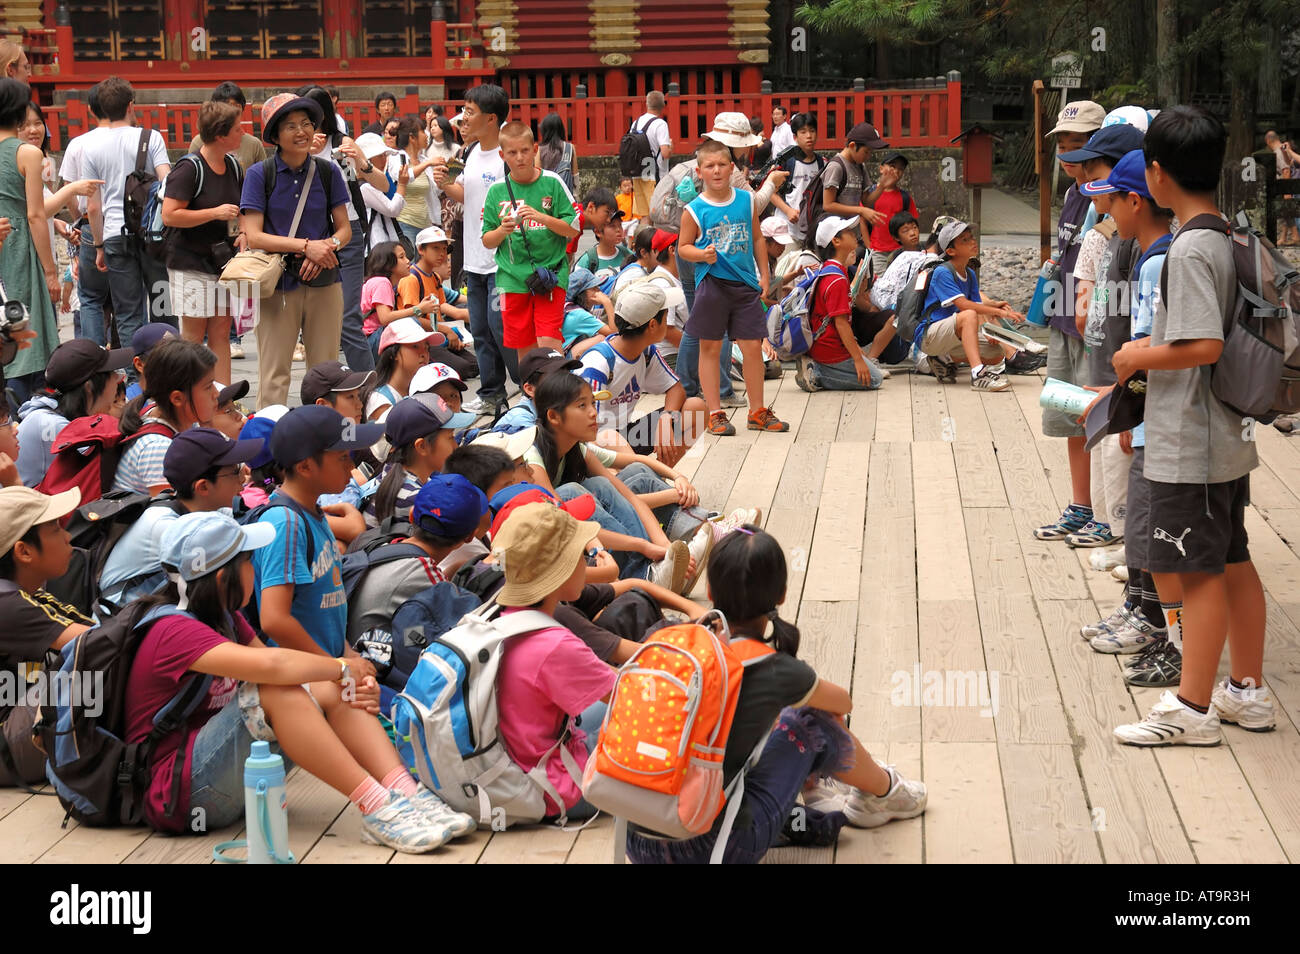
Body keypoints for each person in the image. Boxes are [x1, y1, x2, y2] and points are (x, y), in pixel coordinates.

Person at [125, 510, 473, 850]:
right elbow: (272, 666)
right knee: (280, 688)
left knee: (321, 683)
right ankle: (378, 806)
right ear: (221, 577)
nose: (255, 569)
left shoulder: (225, 618)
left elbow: (291, 671)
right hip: (181, 795)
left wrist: (344, 681)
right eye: (249, 562)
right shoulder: (172, 629)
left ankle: (405, 792)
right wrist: (340, 667)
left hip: (227, 774)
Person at [1111, 107, 1272, 745]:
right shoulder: (1225, 234)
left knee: (1200, 573)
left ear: (1156, 174)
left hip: (1192, 440)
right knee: (1233, 561)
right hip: (1225, 436)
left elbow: (1202, 343)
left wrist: (1135, 355)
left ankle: (1194, 708)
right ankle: (1247, 692)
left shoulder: (1189, 248)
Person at [624, 526, 928, 864]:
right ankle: (885, 793)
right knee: (813, 720)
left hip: (638, 842)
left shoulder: (678, 643)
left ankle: (821, 791)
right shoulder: (772, 667)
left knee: (775, 720)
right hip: (710, 849)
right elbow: (843, 703)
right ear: (781, 595)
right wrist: (795, 694)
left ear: (709, 590)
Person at [1076, 149, 1176, 680]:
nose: (1107, 211)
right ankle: (1141, 605)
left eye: (1112, 200)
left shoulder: (1159, 259)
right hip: (1146, 414)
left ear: (1134, 200)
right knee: (1140, 521)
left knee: (1152, 524)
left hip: (1156, 418)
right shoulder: (1146, 253)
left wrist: (1128, 414)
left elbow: (1154, 349)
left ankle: (1155, 620)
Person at [524, 371, 710, 593]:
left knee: (602, 485)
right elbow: (566, 526)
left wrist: (664, 547)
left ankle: (658, 567)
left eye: (593, 403)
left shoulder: (578, 449)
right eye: (582, 406)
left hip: (578, 540)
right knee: (571, 492)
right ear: (553, 417)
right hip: (535, 556)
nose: (594, 413)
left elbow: (629, 498)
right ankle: (645, 573)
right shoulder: (532, 459)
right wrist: (644, 545)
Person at [488, 502, 616, 823]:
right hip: (557, 790)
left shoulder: (503, 619)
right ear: (560, 572)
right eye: (579, 556)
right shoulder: (555, 644)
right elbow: (630, 695)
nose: (586, 565)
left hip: (511, 769)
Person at [1056, 122, 1147, 550]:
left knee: (1117, 443)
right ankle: (1090, 511)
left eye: (1094, 168)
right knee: (1079, 422)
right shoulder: (1090, 214)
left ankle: (1120, 532)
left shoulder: (1130, 238)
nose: (1088, 177)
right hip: (1078, 340)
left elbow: (1131, 320)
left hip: (1115, 360)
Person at [239, 92, 350, 409]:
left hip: (326, 281)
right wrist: (306, 247)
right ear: (275, 135)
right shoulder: (261, 174)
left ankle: (327, 440)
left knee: (328, 372)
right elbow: (255, 236)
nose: (301, 132)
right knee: (275, 373)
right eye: (291, 126)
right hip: (278, 285)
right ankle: (268, 446)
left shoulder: (328, 173)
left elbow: (344, 229)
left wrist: (327, 247)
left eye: (306, 124)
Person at [249, 404, 385, 662]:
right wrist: (336, 667)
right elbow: (274, 620)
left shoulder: (312, 512)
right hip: (303, 672)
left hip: (329, 662)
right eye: (342, 457)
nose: (351, 465)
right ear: (305, 467)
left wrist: (347, 655)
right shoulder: (285, 523)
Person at [679, 137, 788, 436]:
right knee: (711, 346)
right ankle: (715, 412)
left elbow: (756, 238)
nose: (716, 171)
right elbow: (683, 248)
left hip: (744, 283)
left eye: (722, 165)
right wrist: (701, 255)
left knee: (753, 345)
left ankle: (757, 411)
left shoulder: (745, 200)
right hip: (712, 284)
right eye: (709, 166)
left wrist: (765, 274)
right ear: (699, 172)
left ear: (731, 168)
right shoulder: (694, 209)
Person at [1034, 100, 1105, 541]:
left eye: (1076, 146)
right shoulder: (1071, 194)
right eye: (1061, 145)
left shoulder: (1109, 199)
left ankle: (1106, 509)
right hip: (1063, 321)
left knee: (1099, 419)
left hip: (1093, 326)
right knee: (1070, 419)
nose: (1066, 155)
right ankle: (1081, 505)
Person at [99, 425, 263, 609]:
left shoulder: (205, 508)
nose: (243, 479)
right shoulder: (168, 527)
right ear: (203, 487)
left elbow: (249, 522)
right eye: (234, 472)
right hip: (125, 624)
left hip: (159, 612)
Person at [432, 84, 519, 416]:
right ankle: (491, 393)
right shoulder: (465, 154)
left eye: (470, 112)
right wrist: (444, 183)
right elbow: (463, 195)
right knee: (480, 329)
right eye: (464, 110)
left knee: (502, 327)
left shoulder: (507, 156)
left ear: (492, 118)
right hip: (474, 256)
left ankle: (525, 385)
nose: (463, 118)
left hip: (502, 260)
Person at [0, 485, 92, 787]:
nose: (67, 537)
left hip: (15, 716)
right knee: (88, 670)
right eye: (55, 528)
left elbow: (95, 630)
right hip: (5, 748)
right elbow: (100, 643)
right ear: (23, 551)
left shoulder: (26, 593)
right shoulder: (8, 605)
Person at [347, 472, 487, 646]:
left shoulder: (384, 542)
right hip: (372, 666)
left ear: (412, 516)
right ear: (469, 537)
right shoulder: (426, 575)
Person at [80, 77, 173, 339]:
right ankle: (171, 366)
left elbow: (93, 206)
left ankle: (135, 372)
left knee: (128, 312)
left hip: (113, 236)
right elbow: (167, 184)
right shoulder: (150, 137)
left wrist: (98, 246)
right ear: (131, 105)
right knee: (162, 305)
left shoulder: (91, 147)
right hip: (152, 236)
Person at [163, 99, 246, 387]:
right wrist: (214, 212)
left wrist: (244, 232)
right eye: (237, 129)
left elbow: (242, 211)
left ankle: (222, 396)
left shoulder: (234, 166)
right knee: (194, 336)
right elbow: (170, 215)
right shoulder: (189, 168)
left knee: (222, 332)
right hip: (190, 262)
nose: (242, 134)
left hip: (223, 264)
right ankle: (189, 394)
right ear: (221, 135)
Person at [482, 121, 579, 361]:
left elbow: (573, 229)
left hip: (551, 275)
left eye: (525, 150)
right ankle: (533, 394)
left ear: (535, 149)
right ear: (503, 155)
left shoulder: (552, 182)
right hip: (511, 278)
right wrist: (503, 230)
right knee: (524, 348)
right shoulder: (496, 191)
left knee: (548, 342)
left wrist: (541, 217)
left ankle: (556, 394)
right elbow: (487, 240)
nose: (520, 157)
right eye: (512, 153)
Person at [579, 281, 704, 464]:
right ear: (652, 325)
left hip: (625, 434)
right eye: (666, 314)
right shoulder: (599, 363)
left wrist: (666, 417)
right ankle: (644, 481)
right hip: (596, 446)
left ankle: (656, 478)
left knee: (696, 408)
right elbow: (587, 433)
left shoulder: (646, 352)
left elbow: (677, 388)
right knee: (610, 438)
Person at [0, 78, 59, 404]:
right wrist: (50, 270)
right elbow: (36, 215)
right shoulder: (27, 153)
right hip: (20, 244)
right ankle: (23, 403)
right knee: (26, 324)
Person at [914, 220, 1023, 391]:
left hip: (950, 335)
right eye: (964, 240)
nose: (973, 241)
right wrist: (999, 312)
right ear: (950, 251)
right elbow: (965, 305)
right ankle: (978, 375)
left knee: (995, 353)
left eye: (971, 237)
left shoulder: (970, 274)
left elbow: (978, 308)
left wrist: (988, 329)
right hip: (929, 336)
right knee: (969, 314)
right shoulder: (942, 272)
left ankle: (942, 359)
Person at [15, 338, 131, 487]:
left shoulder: (63, 412)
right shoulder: (50, 424)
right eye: (111, 373)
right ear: (89, 387)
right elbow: (100, 472)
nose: (118, 378)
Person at [113, 338, 219, 495]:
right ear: (177, 398)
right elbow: (171, 512)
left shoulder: (179, 420)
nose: (216, 393)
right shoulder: (158, 449)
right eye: (208, 386)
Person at [794, 216, 884, 393]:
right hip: (830, 349)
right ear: (836, 241)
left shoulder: (828, 269)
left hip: (823, 344)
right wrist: (857, 360)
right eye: (848, 232)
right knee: (875, 379)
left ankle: (821, 367)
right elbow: (841, 323)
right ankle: (817, 372)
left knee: (870, 371)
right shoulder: (836, 279)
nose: (854, 234)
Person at [60, 82, 114, 346]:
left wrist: (79, 219)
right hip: (126, 225)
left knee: (91, 298)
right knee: (127, 300)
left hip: (91, 226)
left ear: (91, 110)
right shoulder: (139, 139)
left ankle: (93, 362)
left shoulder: (79, 144)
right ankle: (127, 361)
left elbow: (68, 191)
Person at [368, 394, 475, 525]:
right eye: (450, 437)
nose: (455, 446)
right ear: (422, 446)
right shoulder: (416, 500)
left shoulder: (392, 472)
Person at [394, 225, 476, 380]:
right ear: (421, 250)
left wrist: (452, 333)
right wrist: (447, 331)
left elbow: (441, 310)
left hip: (438, 334)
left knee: (475, 366)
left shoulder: (435, 277)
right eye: (436, 248)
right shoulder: (411, 278)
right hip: (421, 339)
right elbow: (412, 319)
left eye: (444, 249)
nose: (442, 254)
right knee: (463, 369)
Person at [361, 240, 438, 357]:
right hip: (370, 341)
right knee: (411, 323)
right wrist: (418, 309)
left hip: (368, 341)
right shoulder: (382, 283)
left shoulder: (380, 282)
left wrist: (420, 309)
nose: (408, 261)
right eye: (401, 257)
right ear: (387, 263)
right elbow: (385, 318)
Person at [363, 317, 446, 422]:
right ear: (393, 354)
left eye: (427, 348)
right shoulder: (381, 401)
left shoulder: (420, 389)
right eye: (415, 346)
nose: (424, 354)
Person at [822, 122, 891, 247]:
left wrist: (882, 185)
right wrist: (861, 210)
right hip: (835, 237)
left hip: (851, 234)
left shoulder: (860, 166)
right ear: (853, 146)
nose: (868, 156)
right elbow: (828, 205)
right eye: (866, 152)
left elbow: (866, 201)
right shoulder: (836, 167)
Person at [768, 112, 824, 243]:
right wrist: (788, 210)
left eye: (812, 131)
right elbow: (769, 192)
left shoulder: (821, 163)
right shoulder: (786, 162)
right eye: (803, 132)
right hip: (786, 231)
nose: (809, 136)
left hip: (810, 232)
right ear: (795, 137)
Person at [187, 82, 267, 171]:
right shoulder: (199, 142)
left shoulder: (254, 144)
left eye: (237, 106)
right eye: (227, 106)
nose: (232, 111)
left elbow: (264, 178)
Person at [865, 153, 920, 276]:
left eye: (900, 169)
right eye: (892, 166)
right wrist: (869, 246)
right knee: (878, 283)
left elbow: (912, 222)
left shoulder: (904, 197)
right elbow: (863, 220)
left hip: (899, 250)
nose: (896, 171)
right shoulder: (870, 195)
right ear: (881, 169)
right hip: (877, 250)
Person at [393, 116, 441, 246]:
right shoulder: (397, 158)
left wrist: (444, 177)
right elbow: (404, 177)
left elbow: (436, 191)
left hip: (426, 224)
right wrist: (428, 164)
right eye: (423, 131)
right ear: (412, 137)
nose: (427, 135)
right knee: (409, 264)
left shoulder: (424, 160)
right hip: (405, 223)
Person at [355, 131, 406, 252]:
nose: (384, 159)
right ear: (368, 160)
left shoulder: (375, 182)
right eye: (380, 156)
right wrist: (402, 184)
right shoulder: (365, 187)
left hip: (380, 244)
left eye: (385, 155)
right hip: (377, 245)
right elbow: (393, 210)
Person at [629, 91, 672, 220]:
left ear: (646, 104)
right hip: (655, 176)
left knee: (644, 217)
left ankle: (642, 240)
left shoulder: (636, 123)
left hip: (638, 173)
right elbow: (665, 153)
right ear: (663, 105)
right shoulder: (660, 124)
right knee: (658, 216)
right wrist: (671, 147)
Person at [1264, 130, 1299, 246]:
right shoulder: (1283, 150)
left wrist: (1286, 190)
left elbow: (1286, 170)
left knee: (1286, 209)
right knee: (1285, 211)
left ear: (1268, 141)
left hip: (1290, 186)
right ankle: (1285, 237)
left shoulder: (1278, 152)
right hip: (1292, 184)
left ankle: (1295, 236)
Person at [536, 112, 577, 194]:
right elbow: (575, 176)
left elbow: (537, 176)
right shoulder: (570, 148)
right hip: (565, 195)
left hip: (547, 195)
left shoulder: (539, 150)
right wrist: (575, 197)